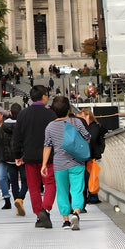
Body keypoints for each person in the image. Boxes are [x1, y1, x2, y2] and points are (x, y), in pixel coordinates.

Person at [42, 95, 90, 230]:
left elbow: (47, 146)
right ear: (68, 109)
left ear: (53, 111)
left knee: (62, 191)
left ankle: (66, 221)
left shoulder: (50, 126)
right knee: (77, 190)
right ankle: (76, 212)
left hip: (59, 164)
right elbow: (87, 137)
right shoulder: (76, 122)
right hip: (76, 162)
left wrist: (44, 164)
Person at [12, 84, 56, 228]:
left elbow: (17, 137)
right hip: (48, 157)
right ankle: (45, 208)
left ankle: (39, 216)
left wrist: (17, 155)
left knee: (33, 188)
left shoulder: (23, 114)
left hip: (29, 157)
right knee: (49, 183)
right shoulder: (51, 114)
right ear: (44, 96)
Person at [3, 102, 28, 216]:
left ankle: (17, 202)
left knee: (13, 182)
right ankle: (21, 199)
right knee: (25, 180)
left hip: (9, 157)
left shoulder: (4, 126)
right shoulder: (24, 125)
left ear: (10, 113)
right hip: (22, 157)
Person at [78, 107, 106, 207]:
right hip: (89, 155)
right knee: (90, 176)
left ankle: (93, 196)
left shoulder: (93, 127)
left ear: (88, 116)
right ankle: (92, 195)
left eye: (82, 117)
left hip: (91, 156)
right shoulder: (92, 127)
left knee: (90, 176)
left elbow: (92, 140)